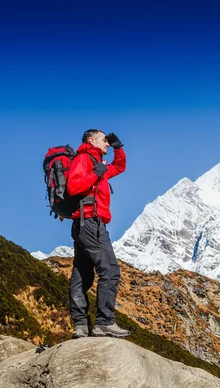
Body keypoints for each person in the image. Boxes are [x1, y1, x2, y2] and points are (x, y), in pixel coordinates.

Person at [67, 129, 129, 338]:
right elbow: (74, 187)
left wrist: (118, 148)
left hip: (87, 224)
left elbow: (119, 167)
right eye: (105, 140)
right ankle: (104, 322)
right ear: (91, 141)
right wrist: (97, 172)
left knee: (81, 275)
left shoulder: (97, 163)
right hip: (90, 222)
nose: (107, 144)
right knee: (110, 270)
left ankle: (81, 326)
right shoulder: (84, 159)